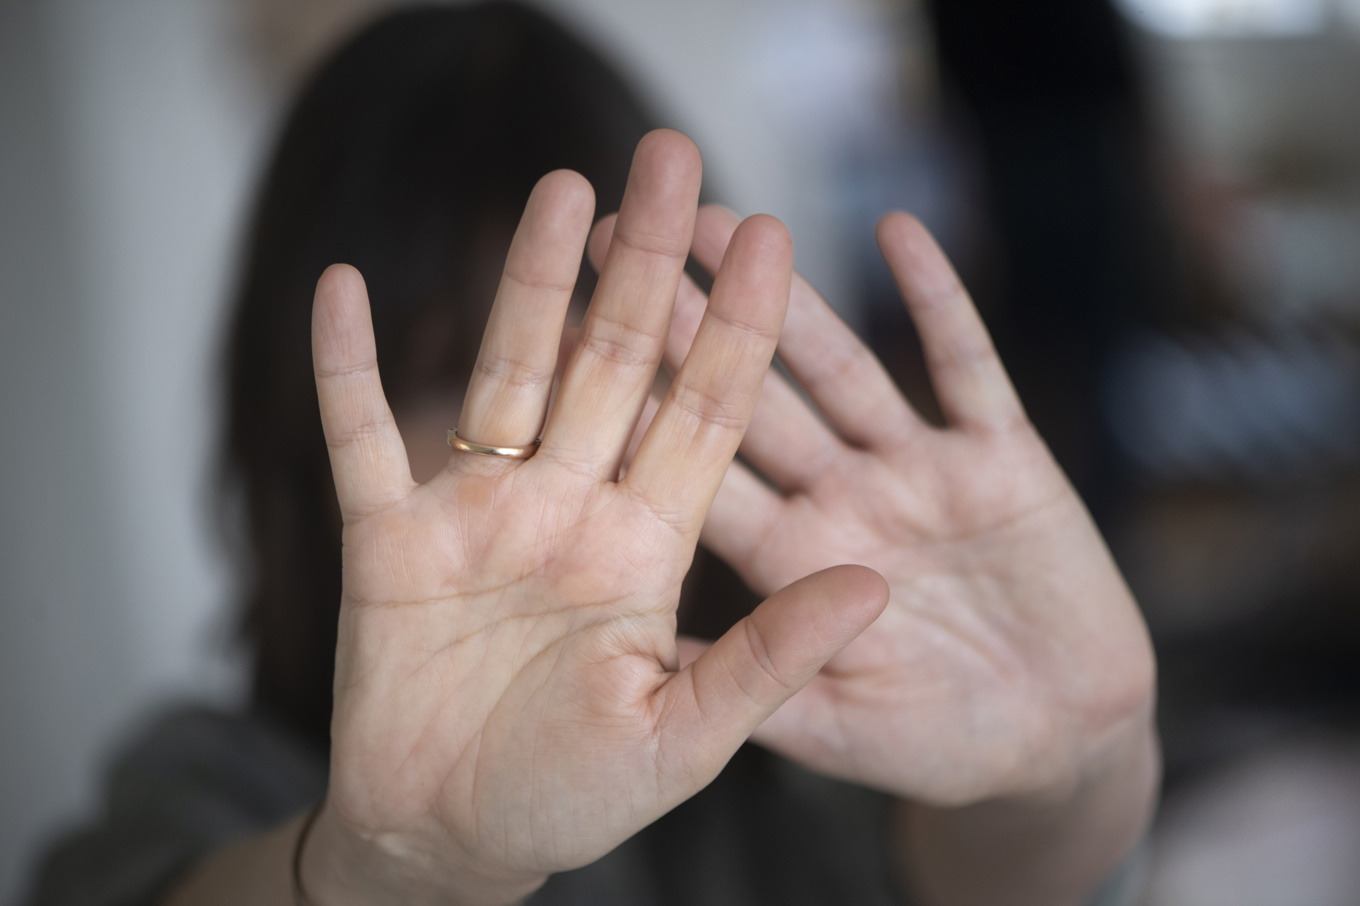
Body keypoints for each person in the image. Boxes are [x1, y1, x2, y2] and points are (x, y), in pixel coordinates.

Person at [23, 5, 1156, 905]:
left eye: (610, 340)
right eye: (445, 370)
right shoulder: (213, 781)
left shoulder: (799, 731)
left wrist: (1069, 774)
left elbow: (967, 874)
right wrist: (390, 872)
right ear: (294, 417)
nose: (560, 430)